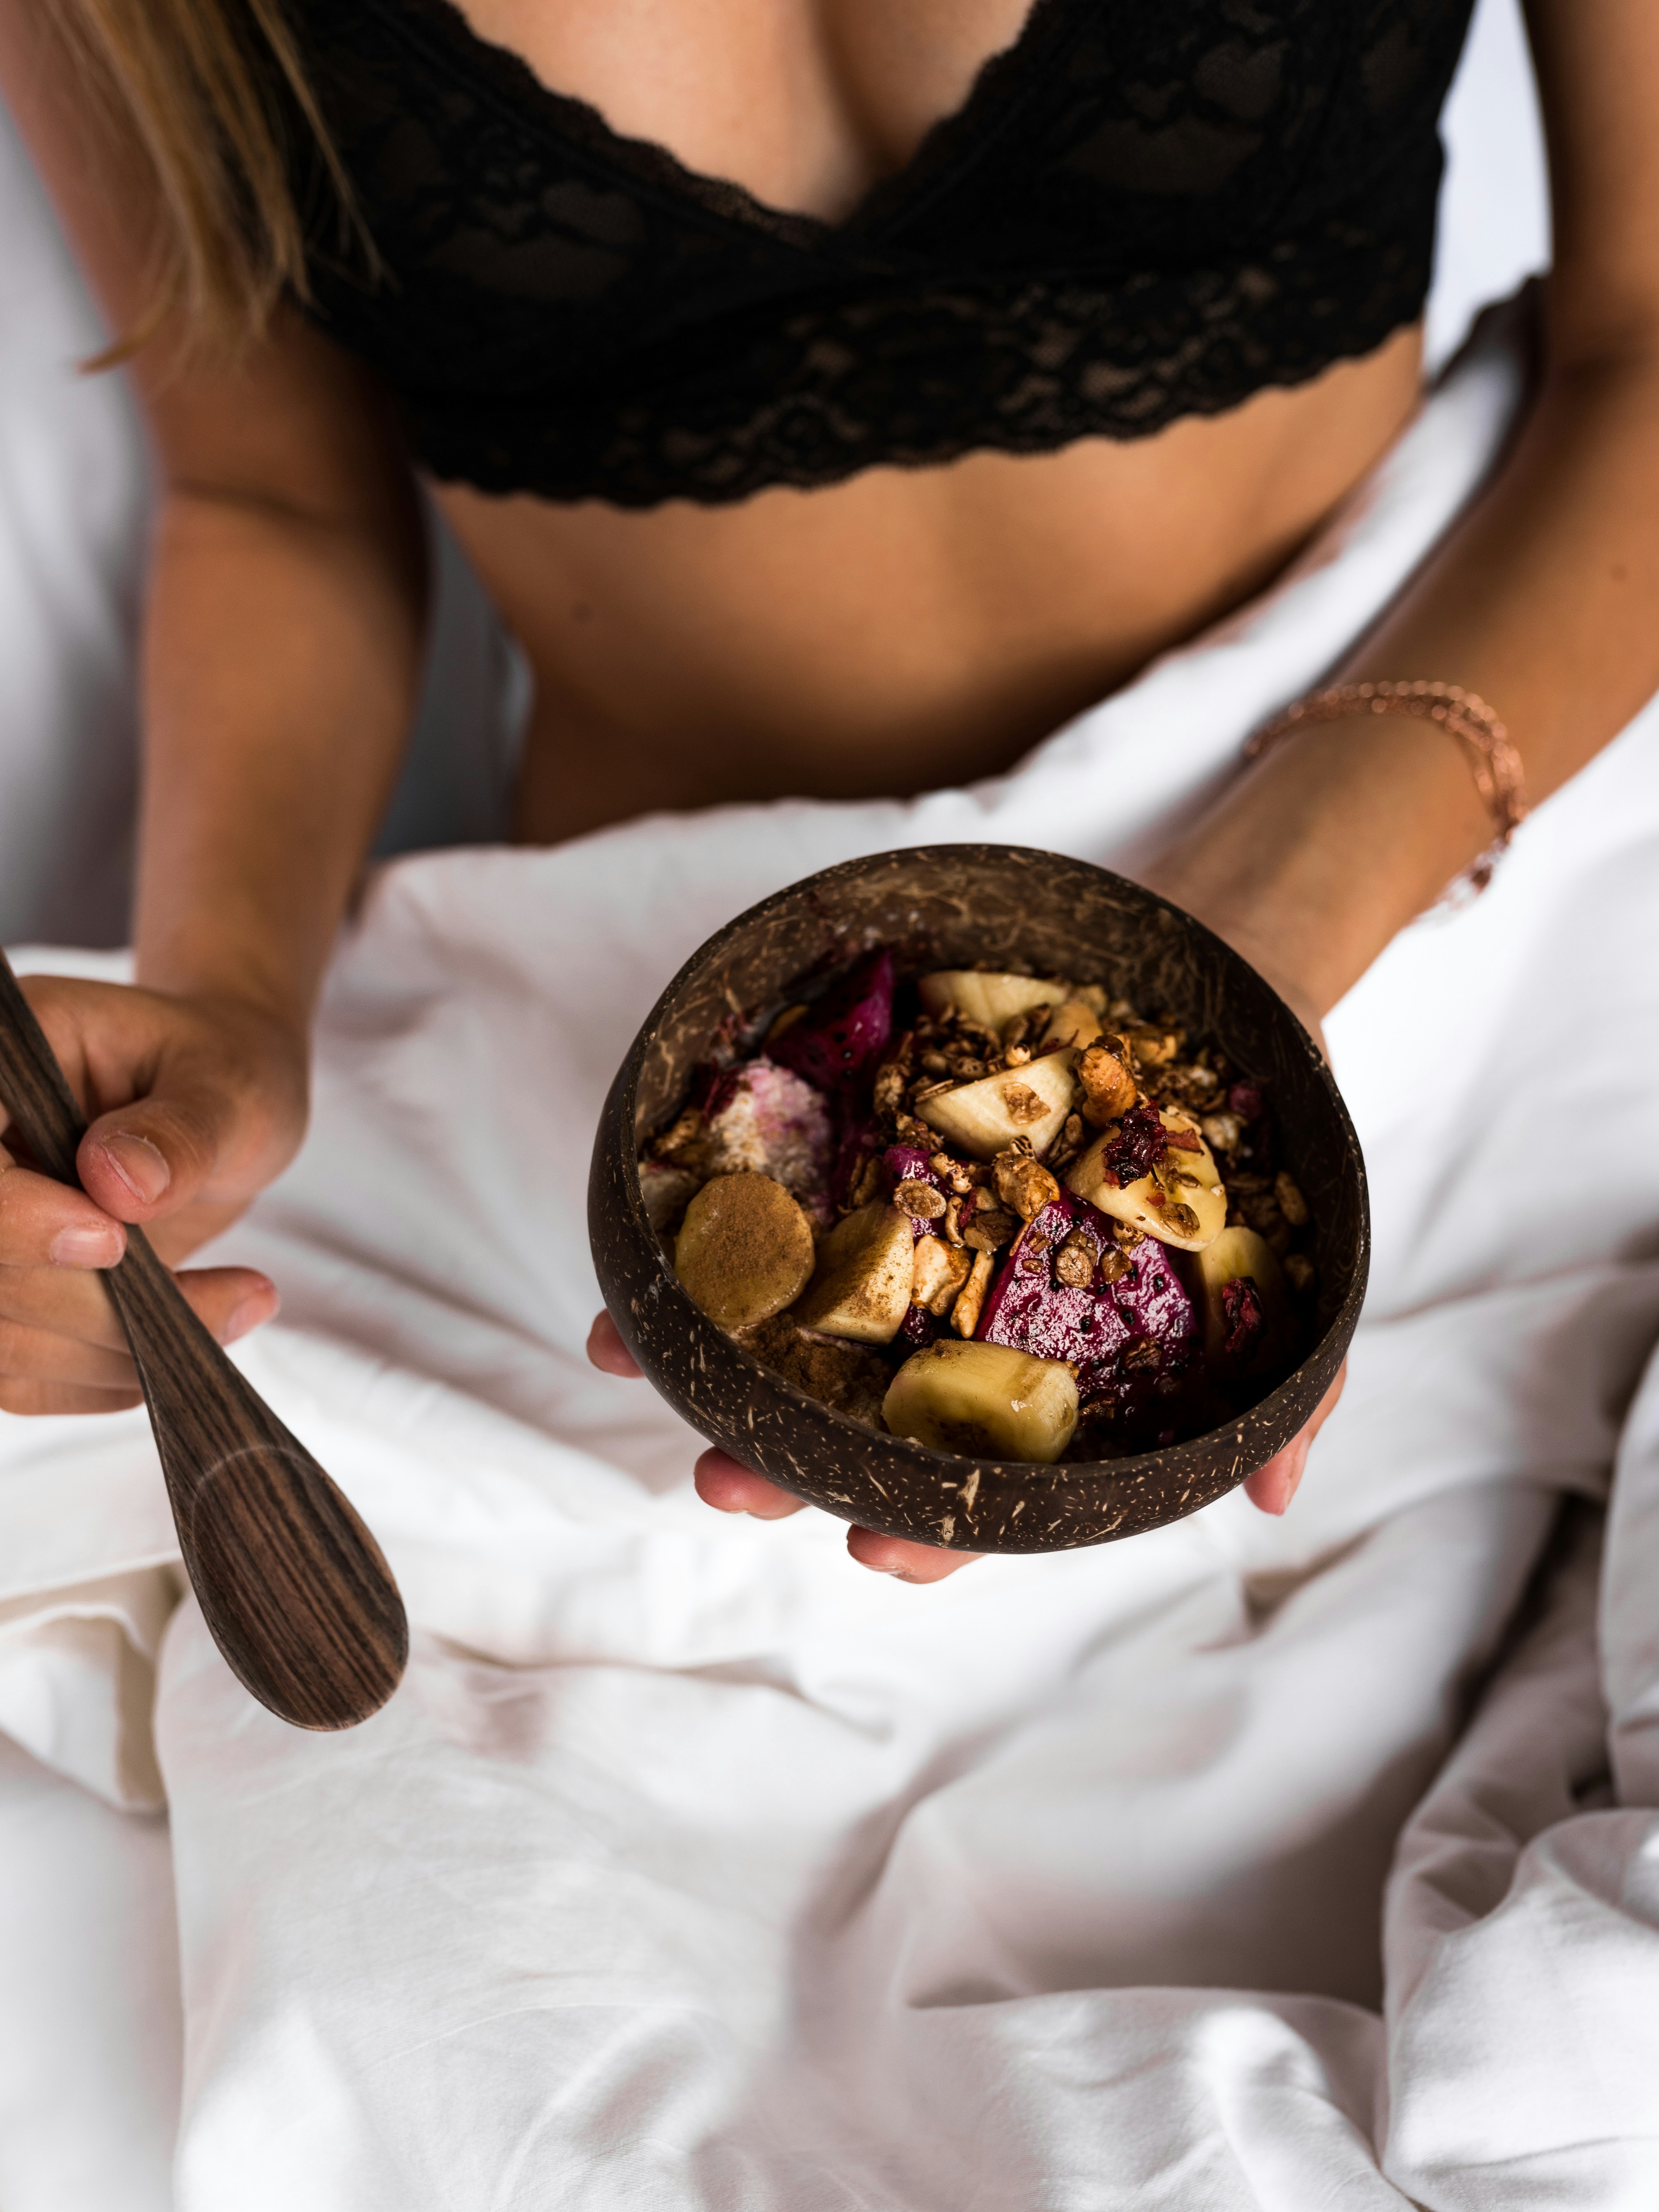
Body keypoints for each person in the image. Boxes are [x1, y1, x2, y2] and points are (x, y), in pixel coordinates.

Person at [0, 0, 1654, 1587]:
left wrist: (1241, 960)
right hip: (617, 1066)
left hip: (1422, 896)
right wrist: (225, 997)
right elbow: (275, 496)